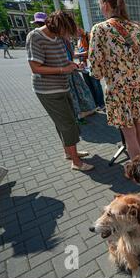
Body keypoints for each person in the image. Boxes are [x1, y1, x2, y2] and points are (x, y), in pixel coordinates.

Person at [89, 0, 140, 159]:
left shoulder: (99, 29)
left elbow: (95, 70)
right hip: (138, 86)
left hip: (118, 89)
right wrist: (134, 64)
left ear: (106, 6)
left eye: (100, 6)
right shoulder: (136, 28)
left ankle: (138, 172)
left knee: (129, 134)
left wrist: (112, 68)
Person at [26, 11, 94, 171]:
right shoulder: (35, 36)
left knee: (64, 122)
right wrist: (64, 69)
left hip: (63, 86)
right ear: (57, 26)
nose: (66, 35)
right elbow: (35, 68)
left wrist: (74, 65)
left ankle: (69, 153)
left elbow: (63, 60)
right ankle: (76, 162)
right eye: (65, 31)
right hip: (47, 90)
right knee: (68, 124)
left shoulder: (58, 37)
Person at [64, 38, 97, 124]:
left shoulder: (66, 41)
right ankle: (76, 115)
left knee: (80, 91)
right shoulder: (57, 41)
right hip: (65, 73)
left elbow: (72, 56)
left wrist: (77, 63)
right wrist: (75, 65)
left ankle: (83, 111)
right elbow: (62, 59)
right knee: (73, 94)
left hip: (72, 72)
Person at [77, 28, 105, 110]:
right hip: (84, 65)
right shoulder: (79, 40)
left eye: (76, 32)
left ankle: (101, 104)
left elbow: (92, 51)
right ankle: (95, 104)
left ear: (80, 30)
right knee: (89, 85)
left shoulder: (89, 36)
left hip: (92, 65)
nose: (76, 34)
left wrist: (77, 54)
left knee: (96, 84)